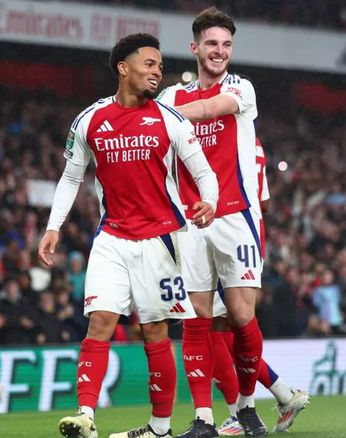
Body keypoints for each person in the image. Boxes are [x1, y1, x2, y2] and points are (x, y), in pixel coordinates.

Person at [39, 33, 218, 438]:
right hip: (112, 238)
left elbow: (205, 173)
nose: (157, 72)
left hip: (162, 241)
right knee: (100, 321)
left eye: (159, 66)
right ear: (123, 68)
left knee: (154, 331)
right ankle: (86, 415)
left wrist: (208, 200)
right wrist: (53, 227)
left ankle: (160, 429)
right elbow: (71, 177)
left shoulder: (171, 120)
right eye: (149, 64)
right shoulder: (90, 120)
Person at [157, 8, 267, 437]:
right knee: (196, 318)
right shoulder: (171, 95)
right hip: (190, 220)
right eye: (212, 44)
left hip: (235, 214)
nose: (220, 51)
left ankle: (246, 405)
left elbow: (209, 109)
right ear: (195, 48)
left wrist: (168, 115)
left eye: (226, 45)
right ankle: (204, 417)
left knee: (240, 314)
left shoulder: (241, 87)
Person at [213, 139, 309, 436]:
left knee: (211, 328)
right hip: (251, 239)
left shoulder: (213, 135)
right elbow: (264, 203)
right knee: (226, 329)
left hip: (224, 236)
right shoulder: (253, 143)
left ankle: (238, 413)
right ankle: (283, 393)